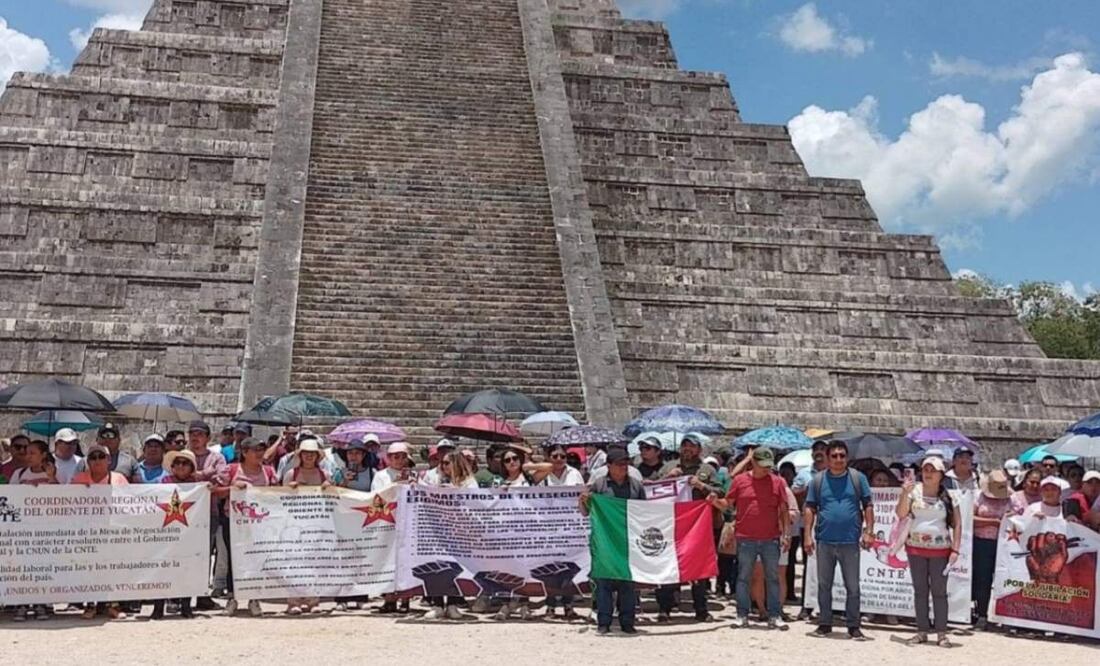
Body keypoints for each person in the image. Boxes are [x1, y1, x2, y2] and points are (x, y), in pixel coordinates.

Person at [710, 447, 789, 630]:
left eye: (769, 466)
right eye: (763, 465)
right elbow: (728, 504)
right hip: (746, 538)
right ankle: (742, 615)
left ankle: (775, 615)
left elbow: (783, 509)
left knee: (773, 578)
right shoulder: (740, 481)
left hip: (771, 538)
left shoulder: (777, 482)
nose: (767, 469)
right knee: (744, 577)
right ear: (753, 462)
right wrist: (715, 502)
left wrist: (785, 534)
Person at [803, 440, 873, 640]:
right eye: (834, 456)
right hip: (824, 540)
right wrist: (807, 535)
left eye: (842, 455)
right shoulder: (818, 481)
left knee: (853, 586)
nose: (838, 459)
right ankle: (825, 624)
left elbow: (868, 505)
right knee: (824, 585)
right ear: (827, 458)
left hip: (850, 541)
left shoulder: (858, 478)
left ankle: (853, 626)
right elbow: (810, 508)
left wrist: (869, 531)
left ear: (847, 457)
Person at [896, 456, 962, 647]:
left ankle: (941, 633)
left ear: (941, 474)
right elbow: (901, 514)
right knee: (920, 591)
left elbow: (958, 524)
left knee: (939, 592)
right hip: (915, 548)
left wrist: (955, 549)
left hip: (941, 550)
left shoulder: (950, 496)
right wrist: (904, 493)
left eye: (933, 470)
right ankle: (922, 631)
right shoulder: (913, 492)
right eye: (926, 469)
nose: (928, 473)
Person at [656, 435, 722, 622]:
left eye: (692, 446)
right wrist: (668, 478)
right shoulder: (669, 467)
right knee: (667, 566)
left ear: (699, 450)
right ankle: (665, 608)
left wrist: (701, 485)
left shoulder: (707, 470)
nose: (687, 449)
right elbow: (652, 489)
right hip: (671, 525)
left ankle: (701, 609)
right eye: (684, 445)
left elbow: (720, 492)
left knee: (699, 569)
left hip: (697, 527)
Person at [580, 447, 644, 635]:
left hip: (627, 541)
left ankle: (627, 622)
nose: (624, 467)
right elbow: (585, 512)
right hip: (604, 542)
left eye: (626, 463)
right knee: (603, 582)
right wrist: (582, 500)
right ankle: (604, 622)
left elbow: (644, 512)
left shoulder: (636, 486)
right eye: (620, 464)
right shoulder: (599, 485)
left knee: (627, 583)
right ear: (609, 466)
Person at [220, 437, 277, 617]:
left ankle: (254, 598)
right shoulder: (232, 470)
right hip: (234, 522)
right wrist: (231, 488)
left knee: (258, 559)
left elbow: (278, 494)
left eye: (261, 450)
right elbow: (215, 491)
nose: (260, 453)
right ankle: (232, 597)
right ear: (244, 452)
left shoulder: (269, 471)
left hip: (260, 524)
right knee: (233, 559)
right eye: (255, 450)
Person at [72, 443, 129, 620]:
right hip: (87, 532)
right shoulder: (79, 479)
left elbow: (130, 502)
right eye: (93, 457)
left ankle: (114, 605)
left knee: (113, 568)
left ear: (109, 460)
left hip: (113, 531)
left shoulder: (119, 479)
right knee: (89, 569)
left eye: (101, 456)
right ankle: (90, 605)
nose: (97, 460)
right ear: (87, 461)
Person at [280, 437, 332, 615]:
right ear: (300, 455)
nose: (309, 456)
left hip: (317, 524)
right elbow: (280, 498)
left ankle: (313, 600)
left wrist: (329, 488)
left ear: (317, 456)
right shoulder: (290, 474)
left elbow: (332, 500)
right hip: (294, 524)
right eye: (306, 453)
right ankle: (293, 601)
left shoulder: (325, 475)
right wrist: (290, 488)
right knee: (293, 563)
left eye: (312, 453)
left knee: (315, 562)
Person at [151, 449, 200, 620]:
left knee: (187, 568)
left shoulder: (198, 486)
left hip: (189, 533)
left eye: (185, 463)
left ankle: (186, 606)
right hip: (165, 533)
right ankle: (158, 607)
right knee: (162, 569)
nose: (180, 466)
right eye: (177, 463)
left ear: (191, 467)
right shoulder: (162, 483)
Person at [185, 420, 227, 611]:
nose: (195, 437)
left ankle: (202, 595)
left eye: (200, 434)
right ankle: (180, 595)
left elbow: (221, 478)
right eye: (192, 433)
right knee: (183, 554)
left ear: (208, 438)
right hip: (183, 514)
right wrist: (206, 475)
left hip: (209, 512)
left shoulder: (217, 458)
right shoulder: (182, 456)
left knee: (205, 554)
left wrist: (197, 476)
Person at [372, 442, 414, 614]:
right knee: (388, 561)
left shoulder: (413, 475)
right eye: (396, 456)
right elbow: (376, 497)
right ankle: (389, 599)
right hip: (388, 521)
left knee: (406, 561)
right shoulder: (381, 475)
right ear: (389, 458)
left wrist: (413, 485)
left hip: (408, 521)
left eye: (403, 456)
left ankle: (405, 599)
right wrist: (394, 486)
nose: (400, 460)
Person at [791, 440, 829, 620]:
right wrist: (806, 490)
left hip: (830, 523)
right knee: (810, 566)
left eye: (823, 450)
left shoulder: (836, 473)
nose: (819, 453)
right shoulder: (804, 474)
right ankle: (807, 605)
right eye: (816, 450)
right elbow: (792, 495)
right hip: (808, 523)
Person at [972, 470, 1011, 630]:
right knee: (983, 579)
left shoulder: (1010, 498)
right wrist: (993, 522)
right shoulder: (978, 497)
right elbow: (969, 518)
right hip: (982, 543)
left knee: (1005, 578)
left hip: (1005, 544)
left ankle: (1006, 616)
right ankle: (982, 614)